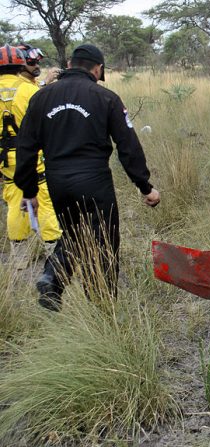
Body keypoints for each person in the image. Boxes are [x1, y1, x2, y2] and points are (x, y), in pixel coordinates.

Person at [14, 44, 160, 311]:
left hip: (57, 180)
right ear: (98, 69)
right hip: (94, 179)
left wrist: (29, 190)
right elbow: (128, 146)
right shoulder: (106, 98)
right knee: (103, 240)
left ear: (69, 65)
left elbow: (25, 147)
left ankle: (53, 277)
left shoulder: (41, 97)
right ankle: (101, 305)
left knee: (73, 233)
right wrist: (145, 186)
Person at [0, 44, 61, 270]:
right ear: (19, 63)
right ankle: (53, 251)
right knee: (44, 200)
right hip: (32, 155)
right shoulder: (28, 91)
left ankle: (20, 258)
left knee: (15, 201)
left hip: (5, 159)